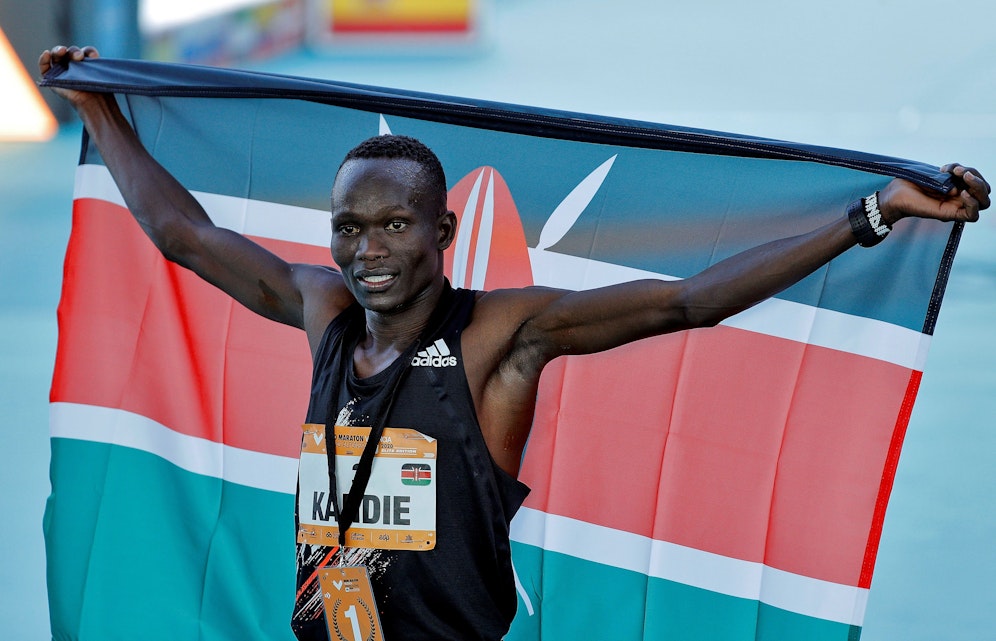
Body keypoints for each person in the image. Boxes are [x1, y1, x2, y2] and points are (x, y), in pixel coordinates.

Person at [41, 45, 991, 641]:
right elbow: (184, 235)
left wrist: (870, 214)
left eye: (394, 226)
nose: (367, 251)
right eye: (348, 227)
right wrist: (98, 109)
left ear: (443, 234)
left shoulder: (500, 335)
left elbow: (686, 301)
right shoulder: (323, 311)